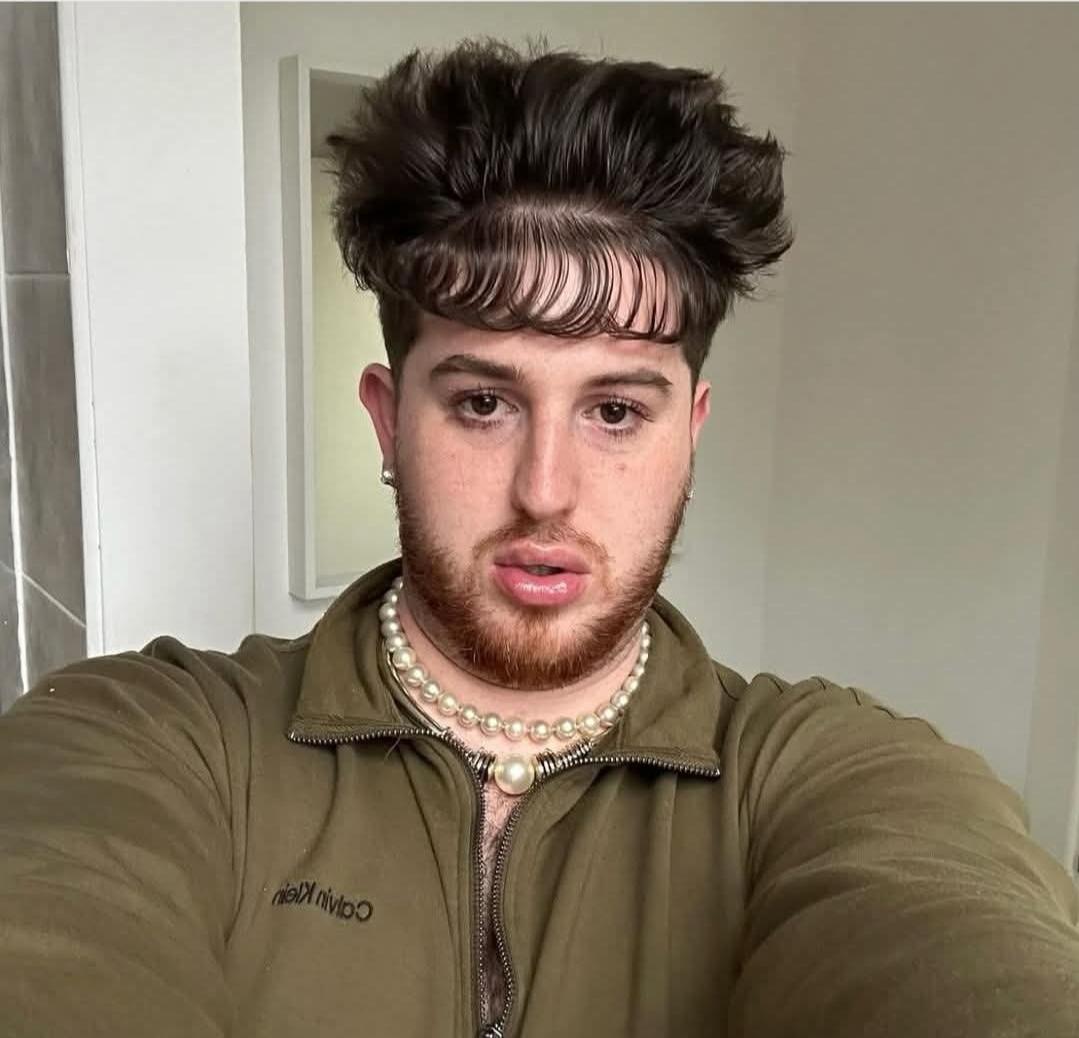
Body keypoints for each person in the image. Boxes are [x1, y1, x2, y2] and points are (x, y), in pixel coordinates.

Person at [1, 38, 1077, 1038]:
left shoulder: (821, 772)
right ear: (388, 420)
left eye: (614, 410)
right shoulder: (155, 736)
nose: (545, 493)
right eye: (483, 403)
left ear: (688, 434)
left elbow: (957, 937)